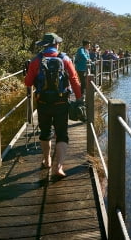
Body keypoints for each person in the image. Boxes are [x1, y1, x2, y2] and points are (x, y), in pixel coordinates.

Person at [24, 32, 82, 178]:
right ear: (57, 44)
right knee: (62, 134)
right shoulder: (65, 58)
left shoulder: (36, 60)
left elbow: (28, 83)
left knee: (45, 132)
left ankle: (47, 160)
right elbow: (74, 80)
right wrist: (79, 99)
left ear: (44, 45)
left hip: (43, 102)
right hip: (61, 102)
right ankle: (59, 167)